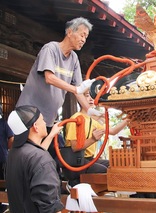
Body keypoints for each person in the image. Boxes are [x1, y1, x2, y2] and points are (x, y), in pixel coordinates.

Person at [15, 17, 103, 171]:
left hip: (47, 121)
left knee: (49, 162)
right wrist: (76, 89)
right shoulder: (51, 49)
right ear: (70, 32)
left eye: (86, 37)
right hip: (28, 117)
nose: (84, 40)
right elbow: (50, 78)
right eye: (82, 35)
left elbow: (79, 90)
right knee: (26, 158)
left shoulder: (74, 59)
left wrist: (91, 111)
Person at [63, 90, 128, 188]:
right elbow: (75, 147)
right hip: (76, 162)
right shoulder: (76, 118)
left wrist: (128, 119)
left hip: (89, 159)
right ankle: (76, 186)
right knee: (105, 170)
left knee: (114, 165)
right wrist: (93, 139)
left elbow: (113, 131)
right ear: (80, 100)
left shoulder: (93, 120)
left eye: (92, 97)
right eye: (87, 96)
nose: (90, 99)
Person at [6, 105, 64, 213]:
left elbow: (36, 157)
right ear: (35, 127)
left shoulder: (14, 153)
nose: (45, 123)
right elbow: (50, 207)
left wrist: (51, 135)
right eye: (42, 120)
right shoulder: (41, 159)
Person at [0, 104, 14, 213]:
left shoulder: (4, 123)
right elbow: (11, 140)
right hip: (2, 157)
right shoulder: (4, 123)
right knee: (2, 184)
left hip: (2, 158)